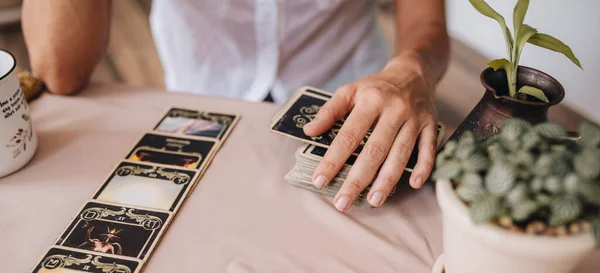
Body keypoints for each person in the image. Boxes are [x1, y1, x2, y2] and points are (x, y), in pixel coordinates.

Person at [22, 0, 449, 211]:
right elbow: (60, 67)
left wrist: (413, 68)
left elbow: (425, 18)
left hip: (356, 92)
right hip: (201, 94)